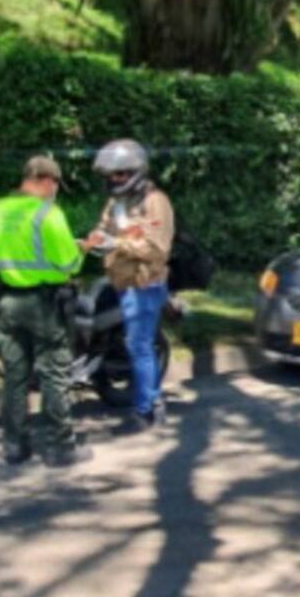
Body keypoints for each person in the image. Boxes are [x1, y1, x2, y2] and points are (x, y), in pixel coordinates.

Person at [0, 155, 88, 466]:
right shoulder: (48, 213)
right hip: (43, 303)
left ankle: (15, 445)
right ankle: (60, 446)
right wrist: (82, 249)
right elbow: (67, 264)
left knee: (15, 376)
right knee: (55, 372)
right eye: (55, 184)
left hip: (7, 301)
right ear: (45, 181)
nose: (55, 190)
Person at [81, 139, 175, 434]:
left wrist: (117, 243)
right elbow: (105, 225)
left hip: (144, 284)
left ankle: (147, 410)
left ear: (136, 171)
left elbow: (157, 248)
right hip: (121, 282)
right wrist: (95, 238)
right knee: (128, 343)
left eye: (120, 174)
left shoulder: (155, 201)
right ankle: (148, 400)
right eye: (110, 175)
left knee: (139, 345)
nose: (114, 179)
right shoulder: (117, 201)